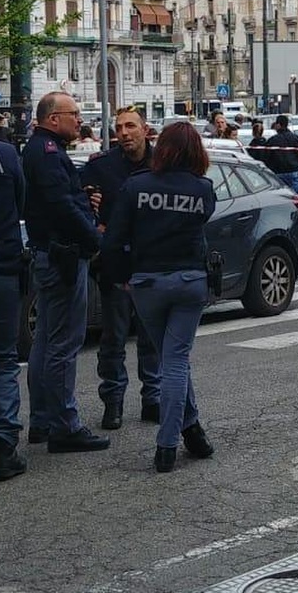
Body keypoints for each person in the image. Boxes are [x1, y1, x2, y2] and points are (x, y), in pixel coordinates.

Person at [101, 122, 217, 474]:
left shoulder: (137, 187)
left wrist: (122, 279)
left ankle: (183, 434)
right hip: (190, 281)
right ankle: (175, 439)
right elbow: (204, 219)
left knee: (172, 361)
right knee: (175, 361)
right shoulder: (203, 189)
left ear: (162, 148)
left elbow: (113, 240)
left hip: (148, 283)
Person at [23, 92, 107, 453]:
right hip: (63, 257)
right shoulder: (47, 153)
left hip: (52, 253)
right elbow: (58, 206)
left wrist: (82, 200)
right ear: (53, 119)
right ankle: (64, 425)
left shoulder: (45, 150)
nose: (79, 120)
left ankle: (43, 419)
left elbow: (60, 200)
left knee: (45, 340)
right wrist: (93, 236)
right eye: (73, 114)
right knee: (63, 344)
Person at [82, 106, 161, 431]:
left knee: (151, 338)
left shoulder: (163, 165)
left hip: (153, 266)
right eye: (119, 127)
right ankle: (112, 402)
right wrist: (94, 227)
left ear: (145, 129)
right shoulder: (101, 167)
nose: (124, 133)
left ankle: (152, 399)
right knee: (113, 338)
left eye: (130, 126)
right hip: (115, 268)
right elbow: (81, 207)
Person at [0, 131, 28, 483]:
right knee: (1, 360)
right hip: (0, 270)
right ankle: (3, 450)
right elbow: (21, 201)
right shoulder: (5, 154)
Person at [265, 116, 298, 193]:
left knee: (280, 196)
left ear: (278, 125)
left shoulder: (272, 140)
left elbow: (266, 157)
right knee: (296, 196)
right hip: (293, 170)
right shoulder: (296, 138)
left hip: (278, 172)